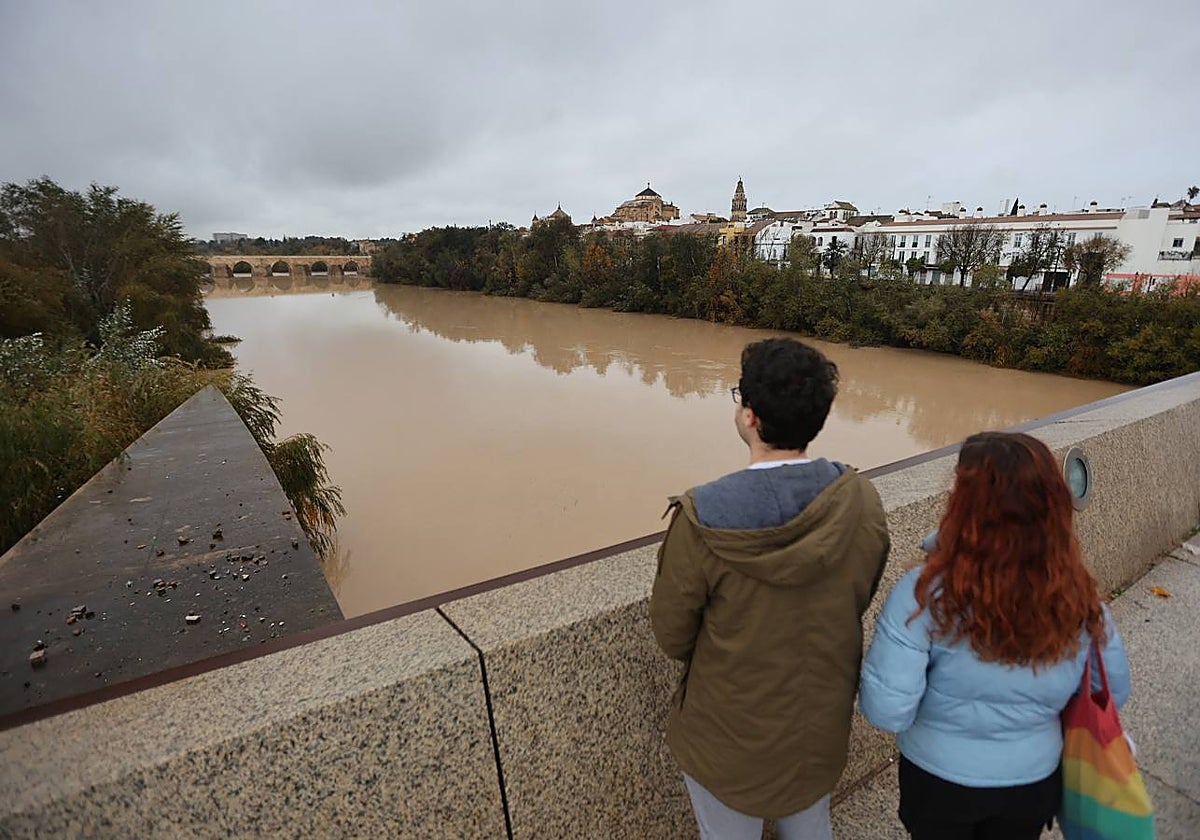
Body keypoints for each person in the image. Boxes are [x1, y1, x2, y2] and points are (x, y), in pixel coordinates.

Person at [650, 337, 890, 840]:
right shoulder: (860, 501)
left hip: (726, 742)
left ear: (750, 417)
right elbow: (859, 593)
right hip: (817, 731)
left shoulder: (702, 518)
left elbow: (673, 635)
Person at [859, 431, 1131, 840]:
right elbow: (1112, 689)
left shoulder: (924, 592)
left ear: (965, 505)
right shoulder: (1079, 596)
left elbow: (887, 709)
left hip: (938, 782)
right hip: (1032, 781)